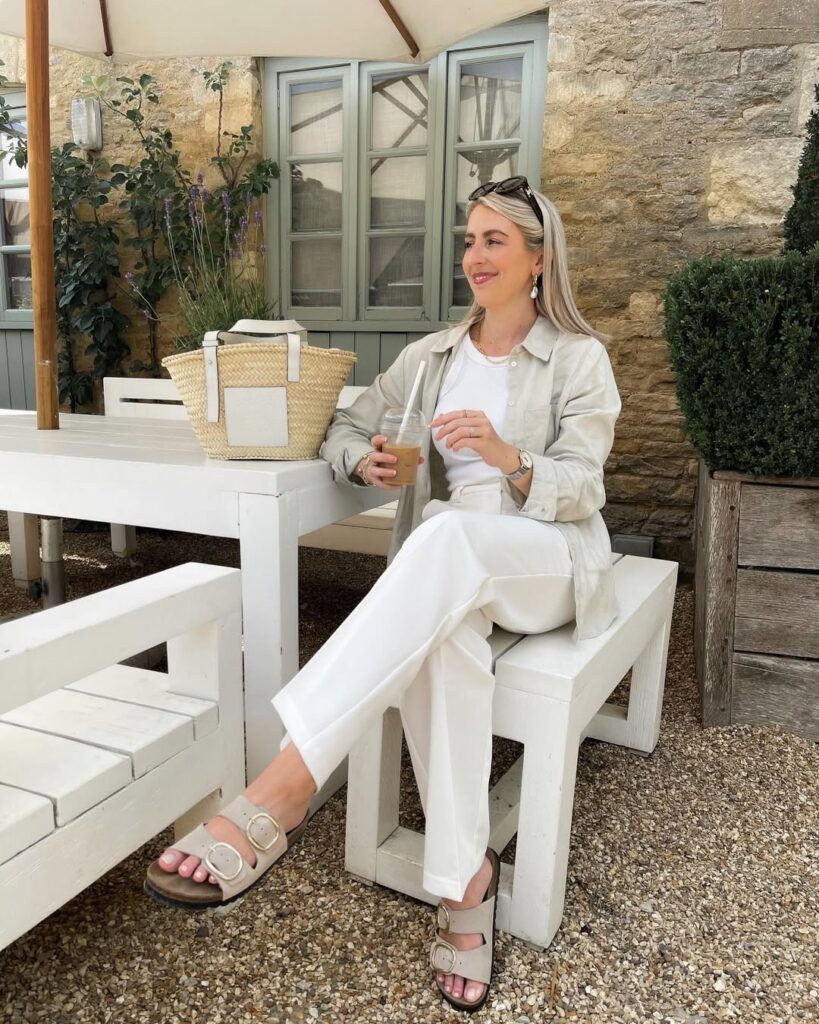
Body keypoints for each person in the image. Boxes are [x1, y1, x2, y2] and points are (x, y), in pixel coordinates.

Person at [145, 176, 622, 1012]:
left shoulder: (578, 357)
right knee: (447, 642)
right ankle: (464, 885)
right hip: (444, 566)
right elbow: (344, 420)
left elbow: (583, 487)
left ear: (538, 259)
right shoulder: (432, 356)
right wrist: (356, 459)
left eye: (493, 241)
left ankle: (285, 784)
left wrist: (509, 457)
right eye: (467, 240)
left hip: (543, 553)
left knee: (446, 537)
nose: (472, 256)